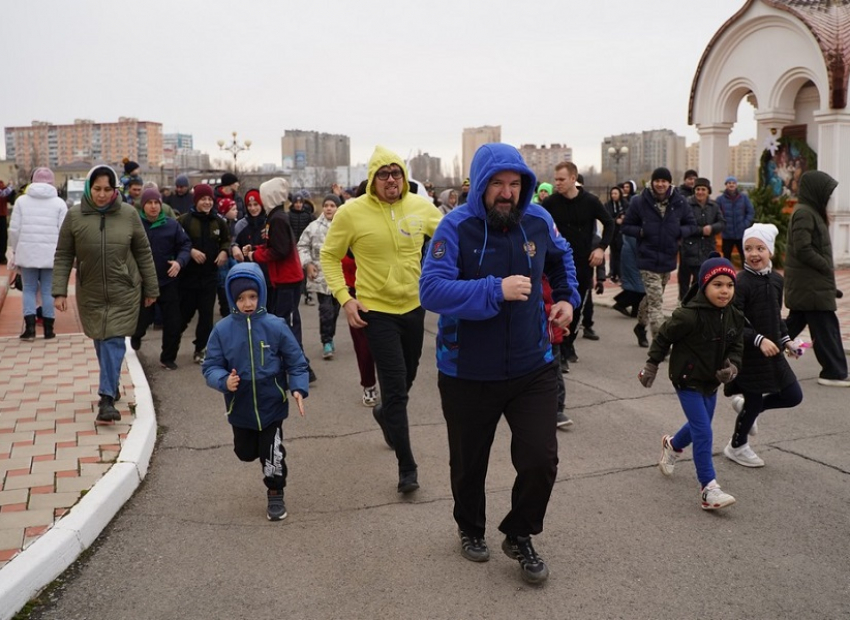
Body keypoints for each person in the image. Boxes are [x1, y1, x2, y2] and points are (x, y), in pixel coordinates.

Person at [419, 143, 578, 584]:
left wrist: (567, 298)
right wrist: (493, 289)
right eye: (497, 184)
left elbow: (563, 259)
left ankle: (520, 533)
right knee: (470, 464)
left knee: (540, 459)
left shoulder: (539, 219)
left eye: (514, 184)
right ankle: (470, 528)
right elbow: (431, 291)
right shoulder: (454, 227)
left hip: (533, 365)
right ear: (480, 185)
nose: (507, 193)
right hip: (467, 370)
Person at [320, 146, 442, 494]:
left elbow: (451, 237)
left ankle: (384, 413)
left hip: (414, 308)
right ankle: (407, 466)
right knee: (396, 387)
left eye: (397, 173)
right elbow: (329, 256)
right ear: (372, 180)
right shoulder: (351, 213)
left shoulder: (421, 207)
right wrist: (346, 299)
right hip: (377, 312)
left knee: (409, 378)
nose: (391, 180)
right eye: (384, 174)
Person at [202, 262, 309, 521]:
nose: (247, 303)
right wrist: (224, 380)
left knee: (272, 452)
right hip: (240, 405)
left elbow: (296, 361)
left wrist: (297, 388)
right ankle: (255, 453)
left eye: (252, 296)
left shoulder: (276, 325)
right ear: (232, 299)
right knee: (246, 452)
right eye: (240, 298)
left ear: (261, 294)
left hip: (272, 403)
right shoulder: (223, 330)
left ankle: (275, 492)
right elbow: (210, 366)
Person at [52, 165, 159, 423]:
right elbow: (64, 253)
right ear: (90, 188)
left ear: (115, 190)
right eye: (97, 189)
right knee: (100, 340)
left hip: (125, 288)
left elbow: (143, 252)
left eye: (108, 189)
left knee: (112, 339)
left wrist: (151, 287)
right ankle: (111, 384)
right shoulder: (75, 216)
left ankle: (106, 399)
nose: (102, 194)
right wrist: (59, 291)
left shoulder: (129, 214)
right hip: (90, 291)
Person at [638, 254, 743, 510]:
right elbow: (663, 337)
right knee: (704, 431)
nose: (724, 291)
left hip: (711, 381)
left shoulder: (733, 316)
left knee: (701, 424)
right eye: (717, 284)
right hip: (686, 379)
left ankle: (672, 445)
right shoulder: (687, 316)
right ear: (704, 285)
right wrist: (651, 366)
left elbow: (737, 345)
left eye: (729, 285)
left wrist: (732, 367)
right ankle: (709, 488)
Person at [723, 223, 803, 466]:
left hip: (773, 350)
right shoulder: (741, 282)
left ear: (770, 251)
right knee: (755, 399)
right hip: (749, 353)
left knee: (792, 395)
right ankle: (737, 446)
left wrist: (786, 339)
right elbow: (732, 322)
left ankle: (749, 408)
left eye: (760, 248)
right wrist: (758, 340)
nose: (754, 253)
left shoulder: (777, 280)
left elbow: (775, 315)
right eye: (748, 248)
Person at [243, 178, 316, 384]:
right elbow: (273, 245)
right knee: (284, 323)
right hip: (283, 280)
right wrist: (256, 250)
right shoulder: (274, 217)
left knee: (289, 325)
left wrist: (254, 256)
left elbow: (280, 250)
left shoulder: (277, 219)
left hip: (288, 280)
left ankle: (302, 368)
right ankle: (294, 365)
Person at [542, 161, 613, 367]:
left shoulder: (590, 201)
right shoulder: (551, 204)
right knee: (557, 304)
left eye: (562, 179)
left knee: (577, 306)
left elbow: (609, 223)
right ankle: (561, 351)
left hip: (582, 263)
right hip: (556, 264)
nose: (557, 184)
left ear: (574, 179)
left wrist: (601, 248)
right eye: (555, 180)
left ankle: (568, 343)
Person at [784, 170, 850, 387]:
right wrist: (825, 266)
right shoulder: (804, 213)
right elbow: (803, 248)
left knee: (790, 328)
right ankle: (833, 372)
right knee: (826, 328)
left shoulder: (810, 212)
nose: (829, 196)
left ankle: (756, 354)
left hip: (811, 285)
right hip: (809, 285)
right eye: (827, 191)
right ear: (815, 190)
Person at [621, 167, 698, 347]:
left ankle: (640, 326)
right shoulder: (640, 201)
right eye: (657, 181)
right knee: (656, 303)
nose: (661, 184)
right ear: (652, 182)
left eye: (664, 181)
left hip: (668, 257)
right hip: (647, 257)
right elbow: (626, 226)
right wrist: (641, 231)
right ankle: (661, 343)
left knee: (652, 297)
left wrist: (679, 232)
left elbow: (692, 225)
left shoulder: (679, 201)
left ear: (669, 183)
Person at [131, 187, 192, 369]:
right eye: (149, 203)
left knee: (173, 323)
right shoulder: (135, 224)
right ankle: (136, 335)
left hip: (168, 281)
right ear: (143, 205)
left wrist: (179, 262)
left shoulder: (171, 225)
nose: (153, 206)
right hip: (144, 282)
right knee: (142, 320)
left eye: (156, 203)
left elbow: (186, 245)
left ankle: (168, 357)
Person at [8, 167, 67, 340]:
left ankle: (30, 329)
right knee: (49, 290)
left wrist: (16, 249)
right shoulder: (59, 203)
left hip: (27, 254)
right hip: (52, 255)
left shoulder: (21, 201)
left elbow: (14, 229)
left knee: (29, 289)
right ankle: (49, 330)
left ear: (32, 180)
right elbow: (64, 232)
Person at [177, 184, 231, 364]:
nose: (207, 202)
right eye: (203, 199)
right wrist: (191, 251)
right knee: (184, 315)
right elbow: (176, 242)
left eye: (209, 199)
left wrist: (224, 251)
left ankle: (200, 349)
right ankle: (171, 346)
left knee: (206, 316)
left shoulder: (218, 221)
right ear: (196, 201)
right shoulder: (184, 221)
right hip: (188, 277)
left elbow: (226, 240)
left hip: (209, 276)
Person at [297, 194, 341, 360]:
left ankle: (330, 335)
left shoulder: (344, 226)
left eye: (332, 205)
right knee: (326, 310)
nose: (329, 208)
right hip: (321, 276)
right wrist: (307, 264)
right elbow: (302, 246)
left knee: (335, 310)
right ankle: (327, 341)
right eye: (326, 205)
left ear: (338, 208)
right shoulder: (313, 227)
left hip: (340, 277)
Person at [677, 177, 725, 301]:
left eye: (703, 189)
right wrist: (700, 230)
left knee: (702, 277)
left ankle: (698, 301)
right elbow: (681, 224)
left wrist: (712, 228)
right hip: (689, 247)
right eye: (697, 189)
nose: (700, 192)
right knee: (684, 278)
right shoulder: (686, 204)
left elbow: (722, 223)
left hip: (707, 247)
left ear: (708, 191)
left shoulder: (713, 206)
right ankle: (683, 302)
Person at [716, 176, 754, 265]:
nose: (731, 185)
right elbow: (717, 214)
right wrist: (723, 225)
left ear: (736, 185)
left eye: (733, 183)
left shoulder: (744, 198)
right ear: (726, 185)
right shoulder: (720, 200)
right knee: (726, 257)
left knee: (744, 256)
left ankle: (746, 275)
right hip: (727, 234)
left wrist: (745, 224)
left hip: (741, 233)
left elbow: (750, 212)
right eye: (729, 183)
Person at [288, 193, 317, 306]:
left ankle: (308, 295)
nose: (298, 205)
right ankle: (295, 294)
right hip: (293, 248)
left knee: (306, 272)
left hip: (306, 248)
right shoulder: (289, 216)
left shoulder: (308, 216)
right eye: (296, 203)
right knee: (295, 272)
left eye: (300, 203)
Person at [604, 186, 627, 283]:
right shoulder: (607, 205)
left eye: (615, 193)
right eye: (612, 194)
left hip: (622, 232)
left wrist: (624, 219)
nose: (613, 196)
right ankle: (614, 273)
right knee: (614, 253)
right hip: (612, 232)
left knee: (622, 254)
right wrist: (615, 220)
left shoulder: (625, 204)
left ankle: (622, 275)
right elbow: (606, 218)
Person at [0, 179, 13, 264]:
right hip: (2, 215)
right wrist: (10, 187)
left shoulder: (2, 185)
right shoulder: (3, 187)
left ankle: (1, 257)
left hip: (2, 215)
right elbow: (3, 194)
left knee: (3, 237)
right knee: (2, 237)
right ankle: (1, 257)